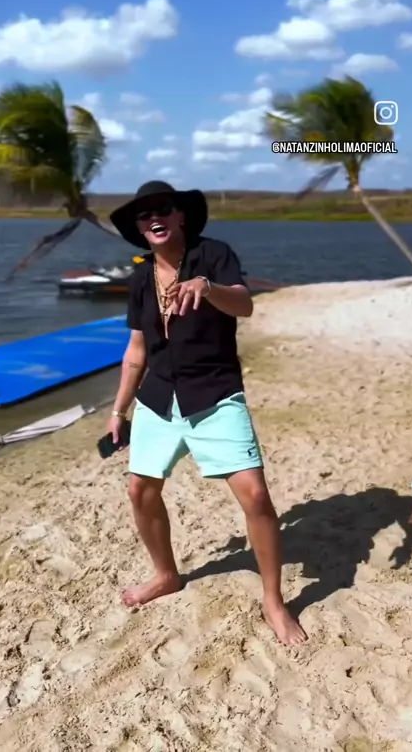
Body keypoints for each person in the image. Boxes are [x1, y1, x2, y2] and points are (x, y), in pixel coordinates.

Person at [107, 180, 306, 646]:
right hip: (159, 397)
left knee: (255, 495)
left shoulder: (213, 255)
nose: (154, 218)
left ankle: (273, 601)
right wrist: (118, 410)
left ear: (180, 216)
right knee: (140, 490)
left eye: (163, 209)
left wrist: (208, 287)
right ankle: (166, 575)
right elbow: (136, 351)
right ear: (140, 228)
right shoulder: (140, 279)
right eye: (144, 214)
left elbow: (245, 304)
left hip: (215, 393)